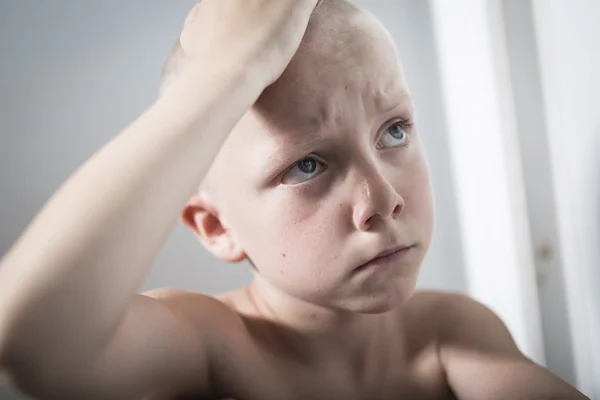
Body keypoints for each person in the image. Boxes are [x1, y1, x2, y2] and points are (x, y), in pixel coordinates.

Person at [0, 0, 589, 399]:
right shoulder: (208, 345)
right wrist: (233, 69)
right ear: (214, 227)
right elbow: (30, 338)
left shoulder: (449, 331)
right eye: (307, 165)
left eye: (394, 131)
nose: (381, 201)